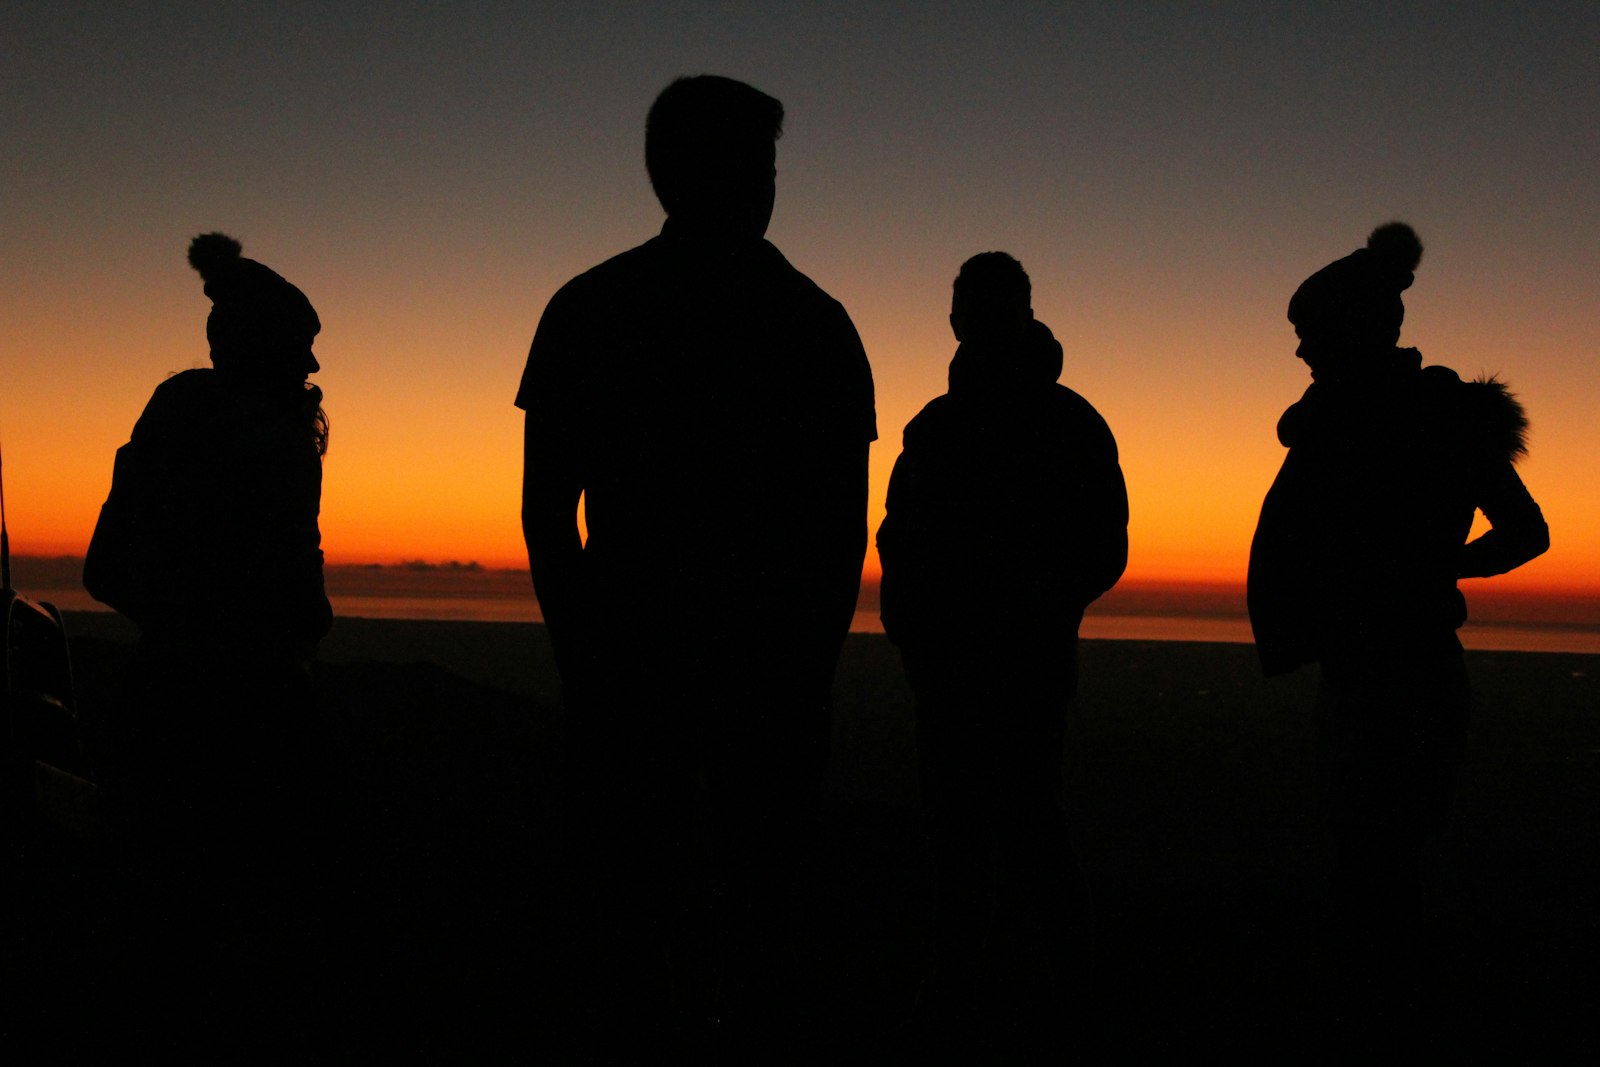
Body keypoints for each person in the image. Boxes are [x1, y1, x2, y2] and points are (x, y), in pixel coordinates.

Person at [515, 75, 876, 1048]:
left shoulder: (593, 308)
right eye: (746, 164)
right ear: (671, 173)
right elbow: (841, 530)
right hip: (715, 671)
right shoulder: (813, 323)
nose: (759, 186)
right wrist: (804, 661)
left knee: (660, 914)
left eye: (763, 166)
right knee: (720, 916)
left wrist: (583, 652)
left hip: (663, 666)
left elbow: (549, 514)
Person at [1247, 222, 1549, 1001]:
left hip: (1401, 668)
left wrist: (1432, 567)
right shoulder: (1352, 420)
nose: (1301, 351)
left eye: (1308, 333)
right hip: (1371, 662)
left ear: (1349, 331)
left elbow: (1526, 531)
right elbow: (1522, 533)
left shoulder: (1412, 419)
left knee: (1378, 857)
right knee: (1373, 854)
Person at [84, 232, 335, 1052]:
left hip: (188, 702)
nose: (313, 365)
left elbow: (110, 567)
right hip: (228, 712)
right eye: (300, 346)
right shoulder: (241, 427)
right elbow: (114, 566)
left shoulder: (214, 421)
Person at [876, 252, 1128, 1038]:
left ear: (1010, 314)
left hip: (1017, 666)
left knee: (1024, 826)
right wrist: (913, 610)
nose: (963, 321)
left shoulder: (1063, 421)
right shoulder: (939, 423)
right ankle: (972, 984)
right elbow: (898, 529)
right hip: (949, 667)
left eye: (976, 307)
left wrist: (1036, 607)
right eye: (962, 309)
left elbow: (1101, 546)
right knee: (964, 834)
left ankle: (1053, 990)